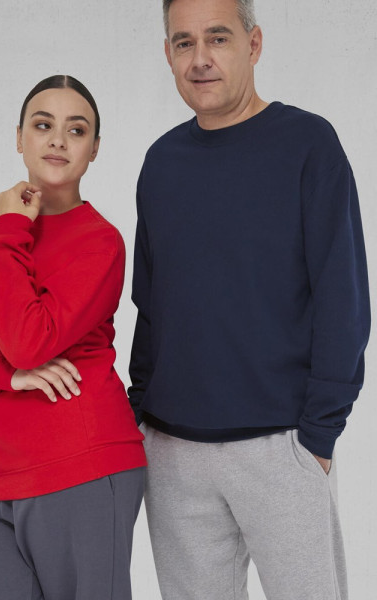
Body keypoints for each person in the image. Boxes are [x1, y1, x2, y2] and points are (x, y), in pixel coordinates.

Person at [128, 1, 370, 599]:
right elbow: (150, 305)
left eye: (218, 38)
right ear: (167, 54)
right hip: (173, 453)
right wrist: (141, 413)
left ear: (254, 44)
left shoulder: (308, 144)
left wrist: (317, 437)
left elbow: (343, 297)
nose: (200, 59)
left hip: (280, 446)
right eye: (184, 43)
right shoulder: (161, 163)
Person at [0, 74, 146, 600]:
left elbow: (29, 341)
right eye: (43, 125)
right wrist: (8, 376)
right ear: (19, 137)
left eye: (76, 130)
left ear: (94, 149)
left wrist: (9, 232)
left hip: (82, 467)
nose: (58, 140)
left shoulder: (99, 242)